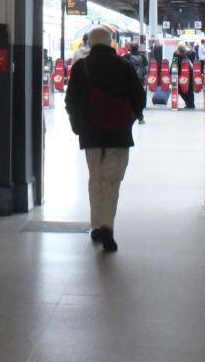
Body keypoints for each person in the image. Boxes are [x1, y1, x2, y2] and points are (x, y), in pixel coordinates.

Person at [64, 25, 146, 253]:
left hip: (91, 134)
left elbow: (71, 101)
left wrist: (79, 127)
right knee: (112, 182)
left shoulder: (82, 67)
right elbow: (139, 97)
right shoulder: (124, 65)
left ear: (90, 43)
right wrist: (132, 117)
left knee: (95, 179)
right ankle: (108, 227)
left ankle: (97, 225)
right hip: (119, 134)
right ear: (111, 43)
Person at [173, 43, 195, 109]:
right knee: (189, 89)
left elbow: (174, 66)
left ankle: (189, 103)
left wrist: (172, 72)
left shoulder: (176, 55)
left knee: (180, 89)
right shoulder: (187, 54)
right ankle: (190, 103)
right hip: (188, 75)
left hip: (180, 76)